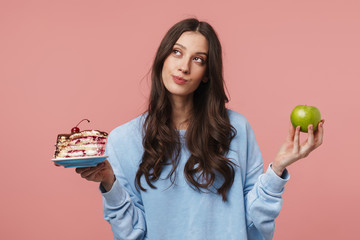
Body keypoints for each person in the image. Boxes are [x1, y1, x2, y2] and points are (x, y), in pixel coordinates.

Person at [75, 18, 324, 240]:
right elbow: (132, 233)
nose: (184, 67)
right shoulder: (124, 140)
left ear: (207, 73)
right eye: (176, 52)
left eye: (198, 59)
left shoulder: (236, 129)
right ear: (162, 58)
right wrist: (109, 183)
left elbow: (253, 224)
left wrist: (277, 168)